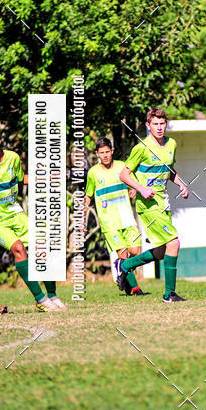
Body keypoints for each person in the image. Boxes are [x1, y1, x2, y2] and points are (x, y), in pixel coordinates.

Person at [117, 108, 189, 303]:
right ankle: (169, 294)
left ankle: (125, 266)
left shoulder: (171, 144)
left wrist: (181, 184)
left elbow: (169, 170)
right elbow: (124, 175)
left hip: (162, 201)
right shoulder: (141, 147)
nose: (159, 127)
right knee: (173, 242)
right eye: (155, 124)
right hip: (147, 203)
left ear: (166, 125)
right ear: (148, 126)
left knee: (160, 251)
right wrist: (140, 189)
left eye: (162, 123)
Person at [0, 128, 65, 311]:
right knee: (18, 248)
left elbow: (20, 179)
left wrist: (46, 178)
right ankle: (41, 300)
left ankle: (52, 295)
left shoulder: (12, 158)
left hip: (14, 212)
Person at [85, 137, 145, 296]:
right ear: (97, 154)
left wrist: (133, 189)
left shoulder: (121, 167)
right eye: (101, 153)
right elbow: (88, 196)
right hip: (109, 222)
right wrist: (83, 219)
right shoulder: (93, 173)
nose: (105, 155)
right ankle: (135, 289)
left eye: (107, 152)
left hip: (126, 217)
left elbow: (134, 183)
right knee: (123, 254)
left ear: (112, 151)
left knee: (136, 251)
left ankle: (124, 277)